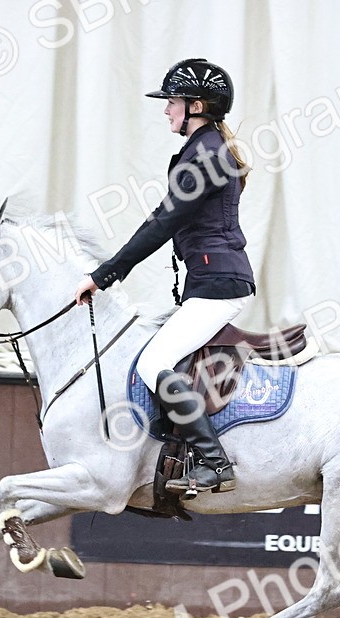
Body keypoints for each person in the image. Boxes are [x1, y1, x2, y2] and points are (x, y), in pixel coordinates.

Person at [74, 58, 253, 496]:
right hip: (210, 282)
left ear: (195, 105)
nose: (166, 109)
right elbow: (165, 218)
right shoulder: (204, 148)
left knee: (154, 363)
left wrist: (104, 275)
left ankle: (215, 463)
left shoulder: (207, 153)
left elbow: (162, 223)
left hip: (218, 285)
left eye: (171, 101)